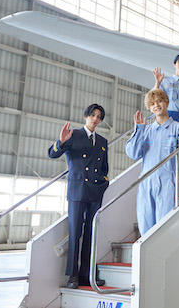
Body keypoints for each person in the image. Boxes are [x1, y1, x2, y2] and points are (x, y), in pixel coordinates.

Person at [49, 104, 109, 289]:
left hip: (95, 191)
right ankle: (73, 275)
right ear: (85, 116)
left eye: (99, 117)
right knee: (75, 232)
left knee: (91, 232)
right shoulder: (73, 135)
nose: (95, 119)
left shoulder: (102, 141)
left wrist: (103, 183)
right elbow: (52, 154)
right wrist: (60, 142)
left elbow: (104, 167)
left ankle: (87, 274)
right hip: (77, 190)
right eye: (92, 115)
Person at [125, 89, 179, 236]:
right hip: (146, 184)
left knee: (165, 229)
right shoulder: (145, 131)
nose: (156, 105)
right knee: (146, 229)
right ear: (149, 108)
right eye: (152, 104)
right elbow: (133, 153)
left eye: (159, 101)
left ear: (167, 103)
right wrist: (138, 130)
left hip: (168, 184)